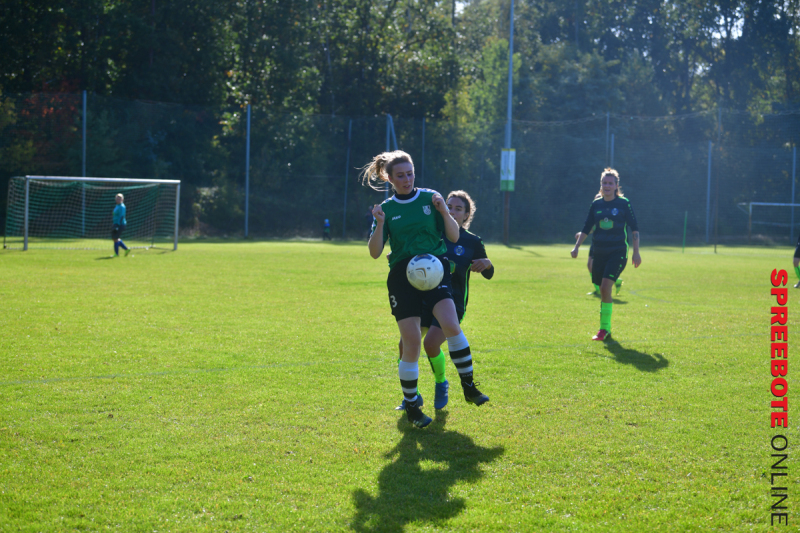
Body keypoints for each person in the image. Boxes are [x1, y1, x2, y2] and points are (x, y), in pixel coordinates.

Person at [363, 151, 489, 428]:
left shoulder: (430, 198)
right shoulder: (387, 208)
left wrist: (444, 210)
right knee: (411, 343)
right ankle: (412, 408)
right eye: (400, 175)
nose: (407, 179)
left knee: (451, 325)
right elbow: (374, 253)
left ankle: (468, 386)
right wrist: (380, 223)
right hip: (402, 276)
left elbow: (454, 236)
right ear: (389, 178)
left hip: (436, 269)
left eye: (410, 173)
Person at [395, 190, 494, 411]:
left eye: (459, 208)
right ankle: (412, 396)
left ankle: (441, 383)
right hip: (424, 297)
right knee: (404, 345)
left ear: (467, 214)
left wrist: (486, 263)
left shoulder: (472, 242)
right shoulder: (433, 234)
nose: (453, 211)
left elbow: (488, 272)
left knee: (430, 345)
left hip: (453, 302)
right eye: (449, 206)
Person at [571, 168, 640, 341]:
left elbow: (634, 228)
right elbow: (587, 227)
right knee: (600, 287)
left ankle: (604, 329)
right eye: (604, 183)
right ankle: (605, 328)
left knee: (604, 287)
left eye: (610, 183)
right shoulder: (596, 204)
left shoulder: (624, 203)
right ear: (601, 185)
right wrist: (577, 247)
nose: (607, 185)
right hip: (599, 252)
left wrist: (636, 253)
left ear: (616, 185)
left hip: (618, 252)